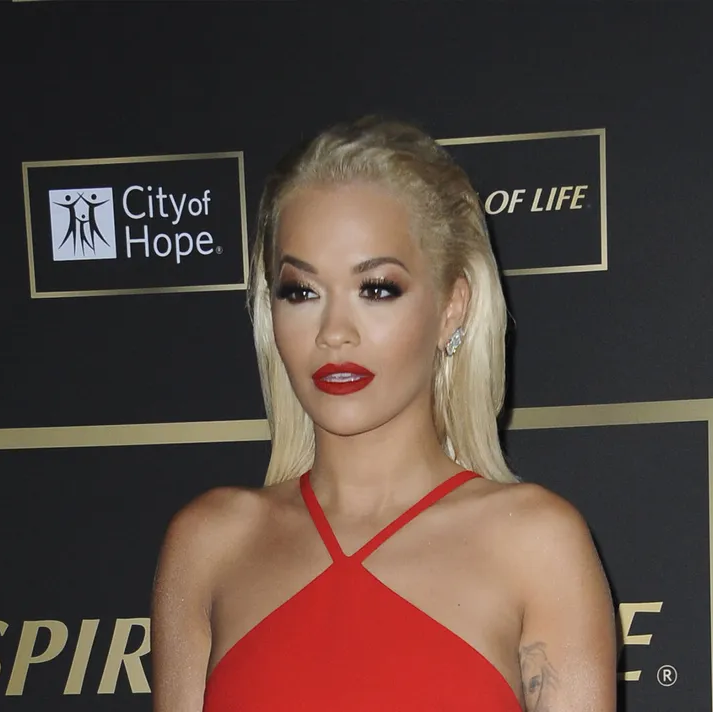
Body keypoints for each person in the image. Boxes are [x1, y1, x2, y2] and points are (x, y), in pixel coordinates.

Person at [151, 116, 617, 712]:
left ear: (452, 307)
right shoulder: (210, 543)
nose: (334, 332)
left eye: (376, 288)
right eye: (301, 291)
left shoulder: (538, 545)